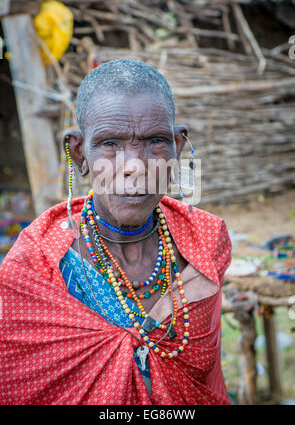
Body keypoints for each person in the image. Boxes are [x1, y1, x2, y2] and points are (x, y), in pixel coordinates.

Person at [0, 59, 232, 405]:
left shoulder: (205, 243)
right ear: (79, 153)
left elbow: (205, 377)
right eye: (110, 143)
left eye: (155, 141)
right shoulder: (37, 263)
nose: (134, 166)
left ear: (177, 147)